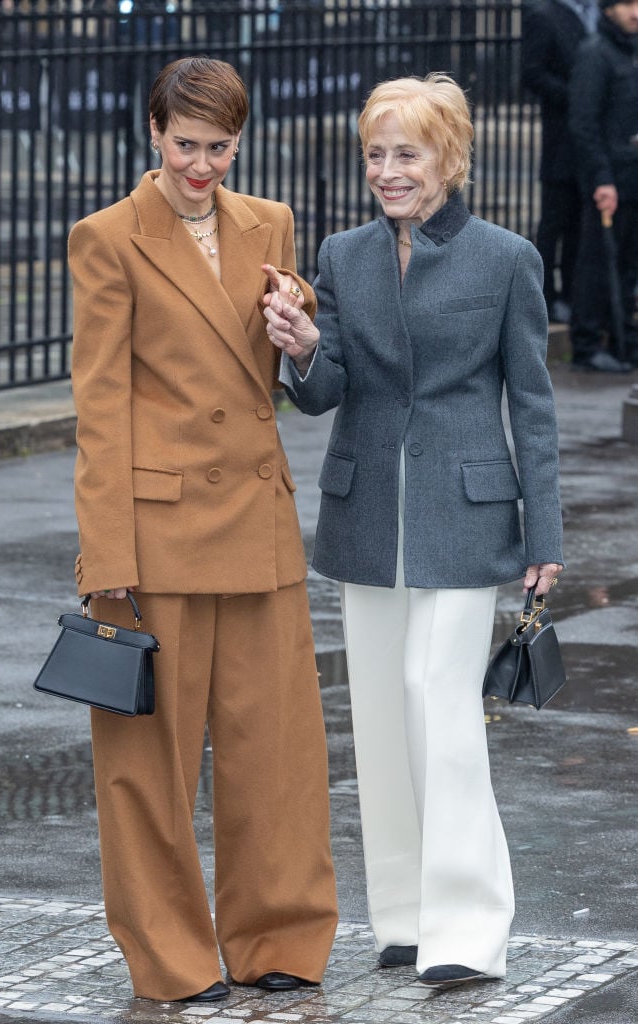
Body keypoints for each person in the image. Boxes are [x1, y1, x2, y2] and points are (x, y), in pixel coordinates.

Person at [263, 73, 564, 989]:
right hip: (365, 516)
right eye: (375, 154)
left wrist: (543, 536)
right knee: (384, 720)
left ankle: (467, 927)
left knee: (438, 706)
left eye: (407, 154)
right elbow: (323, 392)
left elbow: (534, 407)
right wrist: (303, 348)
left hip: (469, 521)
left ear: (450, 156)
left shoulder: (505, 257)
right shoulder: (343, 254)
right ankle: (402, 916)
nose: (388, 172)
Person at [68, 56, 338, 1005]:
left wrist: (296, 329)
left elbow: (288, 378)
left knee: (280, 754)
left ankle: (277, 938)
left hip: (258, 526)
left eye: (220, 146)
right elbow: (100, 406)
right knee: (149, 766)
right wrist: (105, 559)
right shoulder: (105, 239)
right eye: (186, 145)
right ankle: (171, 960)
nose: (202, 166)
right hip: (157, 535)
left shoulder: (269, 223)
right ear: (153, 133)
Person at [568, 0, 638, 371]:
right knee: (596, 262)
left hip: (631, 177)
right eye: (627, 3)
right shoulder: (596, 53)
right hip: (609, 180)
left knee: (626, 265)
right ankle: (587, 344)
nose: (636, 12)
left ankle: (623, 340)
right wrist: (601, 179)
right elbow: (584, 124)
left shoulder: (630, 51)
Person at [521, 0, 598, 324]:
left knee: (581, 220)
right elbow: (533, 73)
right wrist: (578, 95)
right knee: (555, 220)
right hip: (561, 137)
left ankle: (571, 293)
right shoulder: (544, 15)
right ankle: (545, 297)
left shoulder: (596, 14)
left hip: (591, 136)